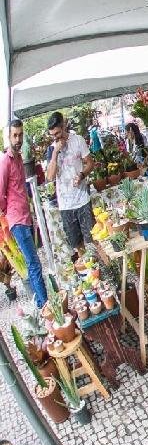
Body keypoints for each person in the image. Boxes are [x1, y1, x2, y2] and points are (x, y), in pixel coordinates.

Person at [0, 120, 48, 308]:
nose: (18, 139)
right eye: (15, 135)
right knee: (34, 264)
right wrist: (8, 212)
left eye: (20, 135)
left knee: (33, 263)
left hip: (25, 218)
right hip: (16, 220)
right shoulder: (5, 161)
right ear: (9, 136)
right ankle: (45, 306)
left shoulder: (19, 159)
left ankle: (42, 304)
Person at [46, 111, 95, 252]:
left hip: (82, 199)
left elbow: (90, 163)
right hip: (65, 205)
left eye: (57, 133)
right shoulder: (51, 149)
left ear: (63, 126)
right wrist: (55, 152)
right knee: (77, 244)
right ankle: (88, 271)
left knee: (91, 238)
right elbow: (50, 177)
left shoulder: (77, 140)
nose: (55, 137)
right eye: (52, 135)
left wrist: (81, 174)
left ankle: (100, 268)